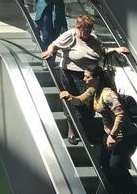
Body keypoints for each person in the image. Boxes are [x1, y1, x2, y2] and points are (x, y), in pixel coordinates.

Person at [42, 14, 129, 143]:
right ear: (78, 27)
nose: (87, 33)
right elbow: (54, 45)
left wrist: (117, 49)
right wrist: (50, 52)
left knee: (89, 106)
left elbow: (102, 51)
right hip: (71, 74)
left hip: (91, 76)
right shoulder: (70, 36)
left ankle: (87, 132)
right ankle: (72, 130)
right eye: (85, 30)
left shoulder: (93, 38)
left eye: (90, 30)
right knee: (73, 102)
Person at [60, 65, 137, 194]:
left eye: (87, 76)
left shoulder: (108, 94)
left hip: (126, 136)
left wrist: (112, 135)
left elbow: (120, 115)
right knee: (104, 162)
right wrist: (70, 97)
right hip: (110, 134)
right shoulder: (94, 90)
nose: (84, 79)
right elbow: (81, 99)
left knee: (116, 165)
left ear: (97, 78)